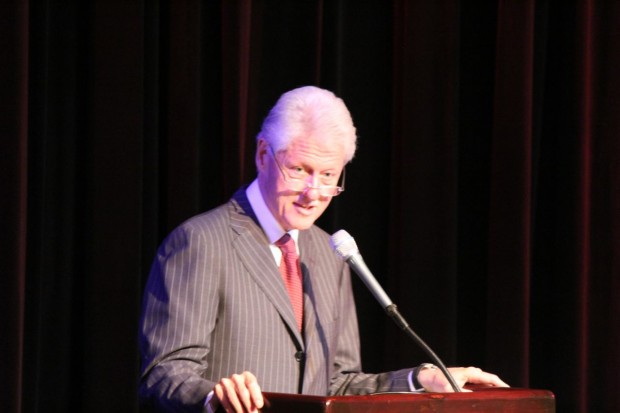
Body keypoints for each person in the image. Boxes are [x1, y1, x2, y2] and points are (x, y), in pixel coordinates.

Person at [138, 86, 508, 413]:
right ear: (263, 154)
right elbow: (164, 373)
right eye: (299, 169)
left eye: (328, 175)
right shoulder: (200, 242)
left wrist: (421, 380)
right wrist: (213, 397)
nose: (313, 193)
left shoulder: (331, 255)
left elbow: (339, 385)